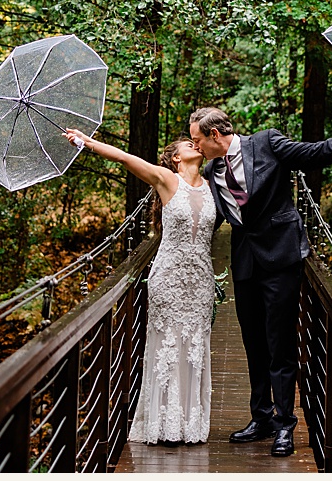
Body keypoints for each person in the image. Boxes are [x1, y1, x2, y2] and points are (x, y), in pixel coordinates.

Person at [192, 105, 332, 458]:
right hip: (245, 262)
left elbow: (312, 154)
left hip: (281, 258)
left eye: (197, 139)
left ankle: (284, 425)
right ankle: (260, 418)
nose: (195, 145)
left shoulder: (266, 143)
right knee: (253, 342)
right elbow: (213, 215)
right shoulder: (210, 168)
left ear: (214, 135)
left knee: (279, 344)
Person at [64, 129, 217, 446]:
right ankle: (164, 422)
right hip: (169, 277)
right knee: (169, 346)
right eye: (189, 144)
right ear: (176, 157)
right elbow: (123, 157)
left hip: (200, 280)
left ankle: (190, 421)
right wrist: (87, 142)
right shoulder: (165, 178)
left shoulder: (213, 184)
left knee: (195, 346)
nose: (196, 145)